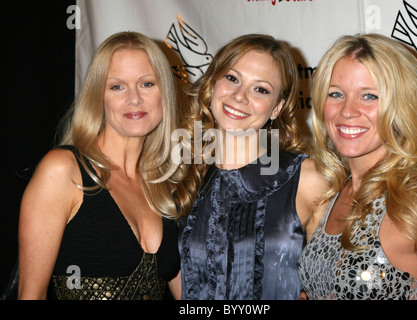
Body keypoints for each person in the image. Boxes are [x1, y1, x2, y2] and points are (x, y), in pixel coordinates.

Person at [18, 31, 184, 300]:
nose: (134, 99)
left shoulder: (165, 184)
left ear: (164, 92)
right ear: (98, 96)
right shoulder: (63, 170)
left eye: (147, 84)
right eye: (117, 86)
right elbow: (30, 295)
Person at [173, 34, 329, 300]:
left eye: (261, 89)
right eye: (232, 78)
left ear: (277, 108)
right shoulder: (182, 179)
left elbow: (330, 285)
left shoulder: (307, 178)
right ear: (212, 84)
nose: (239, 96)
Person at [298, 33, 417, 300]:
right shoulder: (331, 193)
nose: (347, 110)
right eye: (336, 94)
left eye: (369, 96)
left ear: (403, 105)